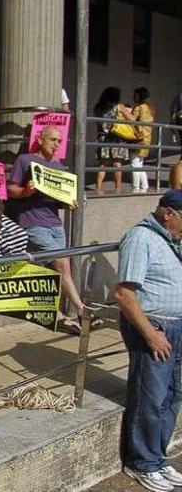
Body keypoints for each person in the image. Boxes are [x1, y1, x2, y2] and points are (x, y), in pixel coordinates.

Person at [115, 189, 182, 492]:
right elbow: (125, 295)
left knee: (172, 396)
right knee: (150, 397)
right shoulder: (141, 238)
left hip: (176, 326)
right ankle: (141, 462)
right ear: (168, 213)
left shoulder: (172, 241)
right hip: (155, 327)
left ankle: (157, 457)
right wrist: (150, 334)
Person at [7, 126, 97, 334]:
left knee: (53, 270)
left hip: (55, 224)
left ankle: (57, 315)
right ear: (41, 139)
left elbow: (59, 201)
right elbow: (10, 189)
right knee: (63, 266)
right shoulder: (25, 160)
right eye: (53, 139)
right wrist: (25, 191)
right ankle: (83, 311)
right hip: (33, 222)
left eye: (59, 141)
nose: (56, 144)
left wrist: (68, 203)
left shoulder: (59, 167)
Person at [94, 87, 135, 192]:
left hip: (102, 137)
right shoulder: (119, 106)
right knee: (117, 163)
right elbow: (132, 119)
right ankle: (118, 188)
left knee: (103, 163)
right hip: (116, 137)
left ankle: (98, 188)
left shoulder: (98, 107)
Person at [131, 87, 155, 193]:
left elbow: (131, 119)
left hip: (138, 137)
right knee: (140, 163)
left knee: (135, 163)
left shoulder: (138, 108)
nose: (133, 97)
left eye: (135, 95)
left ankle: (136, 187)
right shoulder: (150, 108)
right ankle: (144, 185)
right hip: (147, 137)